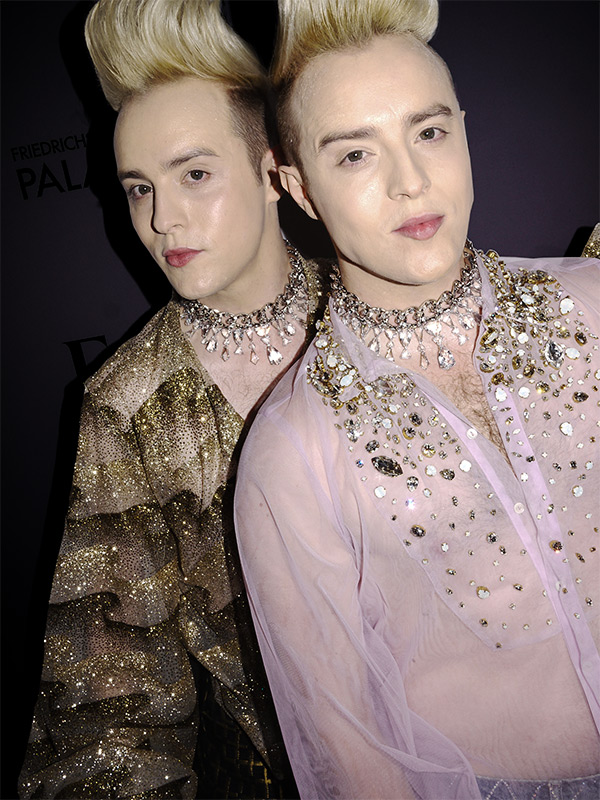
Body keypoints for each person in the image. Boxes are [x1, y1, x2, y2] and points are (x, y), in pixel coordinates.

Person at [233, 0, 600, 798]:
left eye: (429, 132)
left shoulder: (596, 305)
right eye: (356, 155)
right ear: (298, 188)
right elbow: (351, 752)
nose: (411, 182)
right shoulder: (290, 454)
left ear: (463, 131)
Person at [18, 1, 326, 797]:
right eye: (137, 189)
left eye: (194, 174)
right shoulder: (126, 408)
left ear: (272, 170)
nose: (160, 219)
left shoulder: (376, 320)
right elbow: (111, 714)